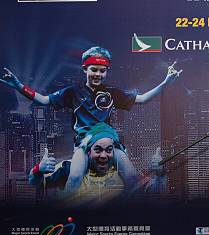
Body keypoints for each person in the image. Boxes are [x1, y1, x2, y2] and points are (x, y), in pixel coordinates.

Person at [0, 46, 182, 194]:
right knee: (74, 178)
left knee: (133, 180)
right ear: (85, 69)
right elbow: (44, 100)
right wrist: (18, 85)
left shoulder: (112, 93)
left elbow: (141, 99)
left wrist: (165, 82)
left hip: (109, 144)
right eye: (94, 69)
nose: (98, 74)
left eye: (102, 71)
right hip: (84, 145)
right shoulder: (73, 92)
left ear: (106, 72)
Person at [29, 123, 125, 203]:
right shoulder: (67, 168)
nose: (103, 156)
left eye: (108, 150)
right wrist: (38, 170)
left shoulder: (122, 172)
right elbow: (35, 183)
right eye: (98, 150)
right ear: (88, 151)